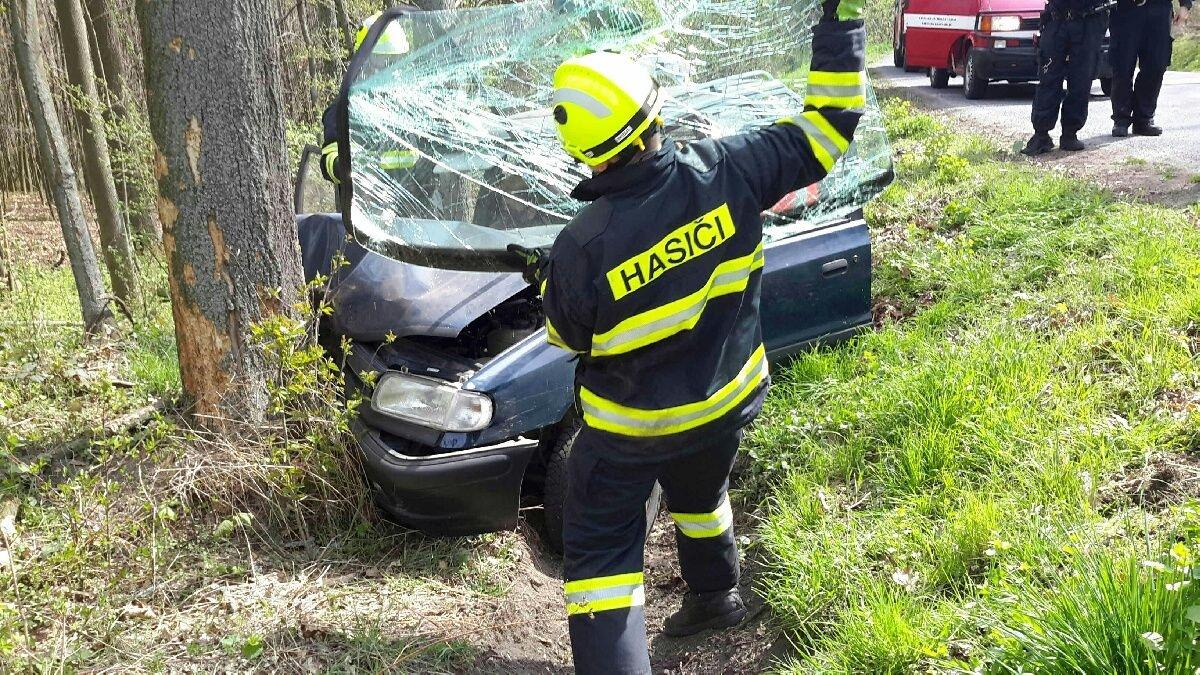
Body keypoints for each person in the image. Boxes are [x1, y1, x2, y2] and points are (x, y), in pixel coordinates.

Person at [507, 0, 867, 670]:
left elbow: (566, 337)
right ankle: (716, 593)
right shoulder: (733, 167)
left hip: (633, 431)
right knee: (701, 488)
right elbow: (830, 127)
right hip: (728, 398)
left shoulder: (582, 245)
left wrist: (552, 278)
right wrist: (839, 24)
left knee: (601, 553)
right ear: (653, 111)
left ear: (584, 148)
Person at [1021, 0, 1110, 155]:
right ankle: (1041, 134)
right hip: (1056, 19)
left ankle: (1070, 133)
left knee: (1081, 80)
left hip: (1089, 19)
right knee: (1048, 77)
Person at [1109, 0, 1192, 137]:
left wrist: (1185, 5)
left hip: (1159, 9)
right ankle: (1121, 120)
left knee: (1157, 64)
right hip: (1126, 10)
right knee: (1122, 65)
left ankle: (1144, 119)